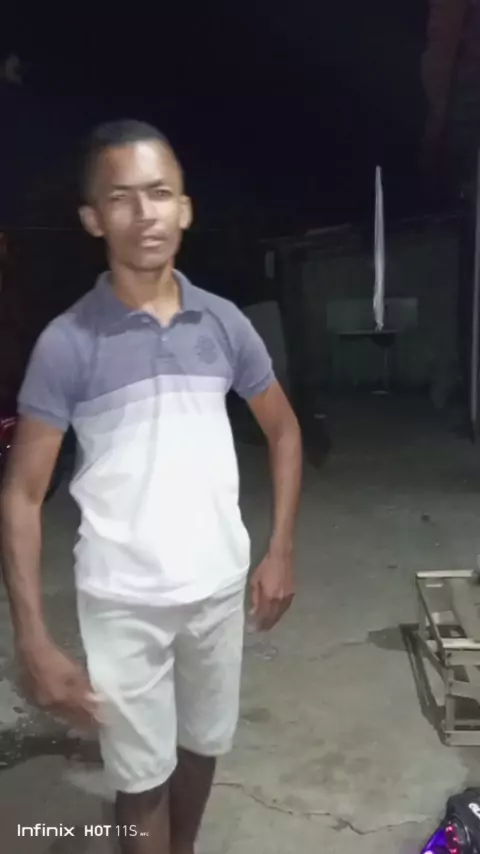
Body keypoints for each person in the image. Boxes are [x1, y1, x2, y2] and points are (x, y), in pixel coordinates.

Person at [0, 120, 302, 854]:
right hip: (123, 601)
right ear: (93, 218)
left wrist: (280, 551)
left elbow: (285, 431)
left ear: (185, 208)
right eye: (122, 198)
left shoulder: (223, 323)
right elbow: (22, 495)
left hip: (218, 589)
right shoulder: (67, 343)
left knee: (202, 747)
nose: (145, 214)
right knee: (140, 783)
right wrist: (32, 636)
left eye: (160, 193)